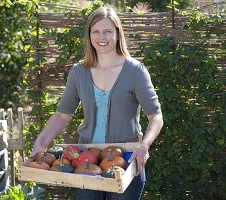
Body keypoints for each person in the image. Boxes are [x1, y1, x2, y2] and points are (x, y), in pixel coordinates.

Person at [25, 6, 163, 200]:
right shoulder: (78, 72)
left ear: (117, 33)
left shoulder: (135, 71)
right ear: (89, 35)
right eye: (96, 31)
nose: (102, 37)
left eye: (108, 31)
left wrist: (144, 146)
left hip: (125, 160)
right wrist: (42, 139)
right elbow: (63, 114)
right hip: (85, 159)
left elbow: (155, 116)